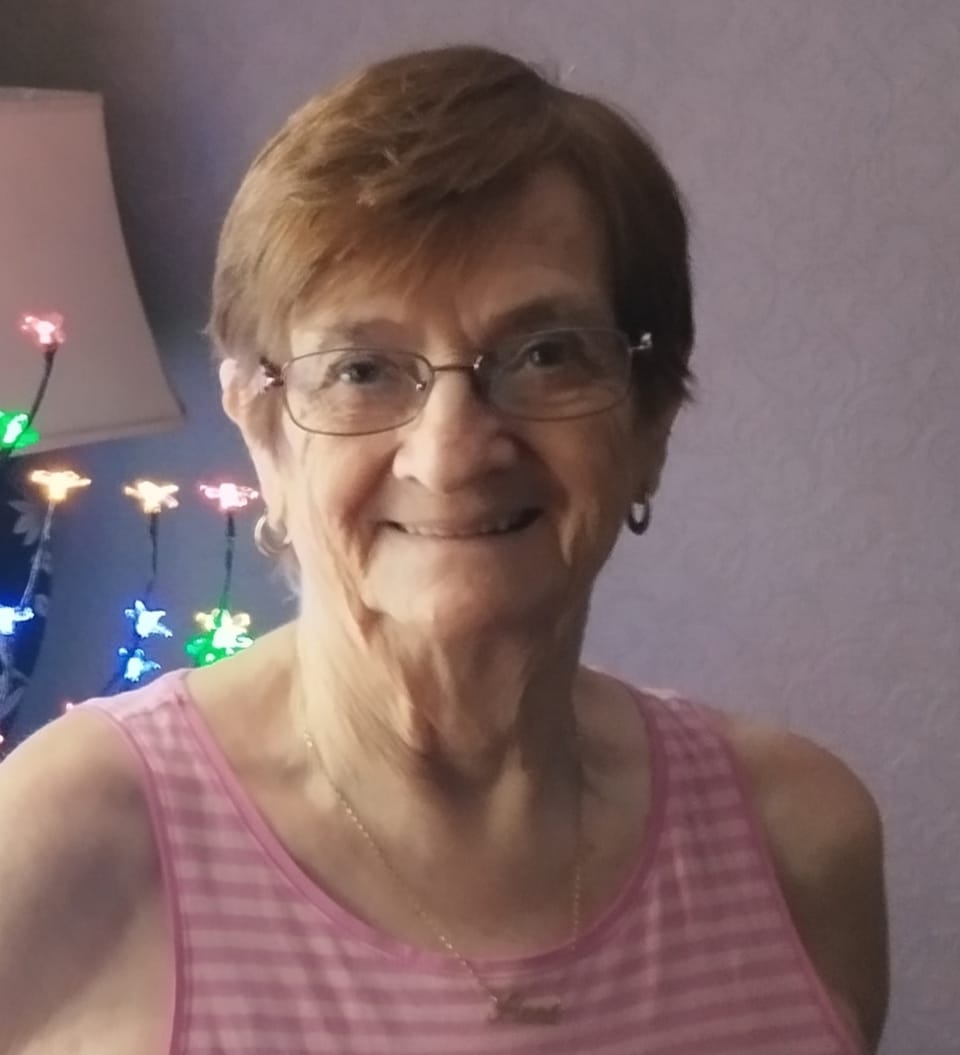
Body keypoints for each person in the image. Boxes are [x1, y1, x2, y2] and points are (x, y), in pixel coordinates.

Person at [0, 44, 888, 1055]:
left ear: (650, 419)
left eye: (545, 354)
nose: (453, 453)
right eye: (363, 369)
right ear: (264, 431)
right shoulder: (67, 844)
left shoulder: (799, 838)